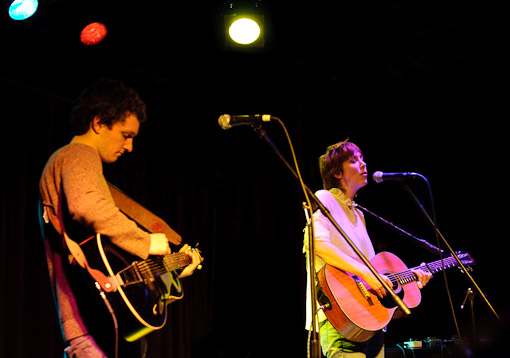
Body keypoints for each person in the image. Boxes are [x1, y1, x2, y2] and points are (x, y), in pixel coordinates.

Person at [39, 79, 202, 358]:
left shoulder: (70, 161)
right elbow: (88, 206)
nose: (130, 147)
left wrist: (173, 268)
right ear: (100, 122)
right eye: (126, 135)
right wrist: (146, 241)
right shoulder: (79, 154)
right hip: (92, 327)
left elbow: (117, 269)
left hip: (95, 322)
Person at [304, 140, 432, 358]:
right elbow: (318, 244)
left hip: (370, 323)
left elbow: (375, 278)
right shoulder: (326, 198)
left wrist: (409, 280)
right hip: (340, 321)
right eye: (354, 161)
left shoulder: (359, 215)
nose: (363, 164)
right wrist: (368, 274)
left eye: (362, 158)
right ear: (337, 173)